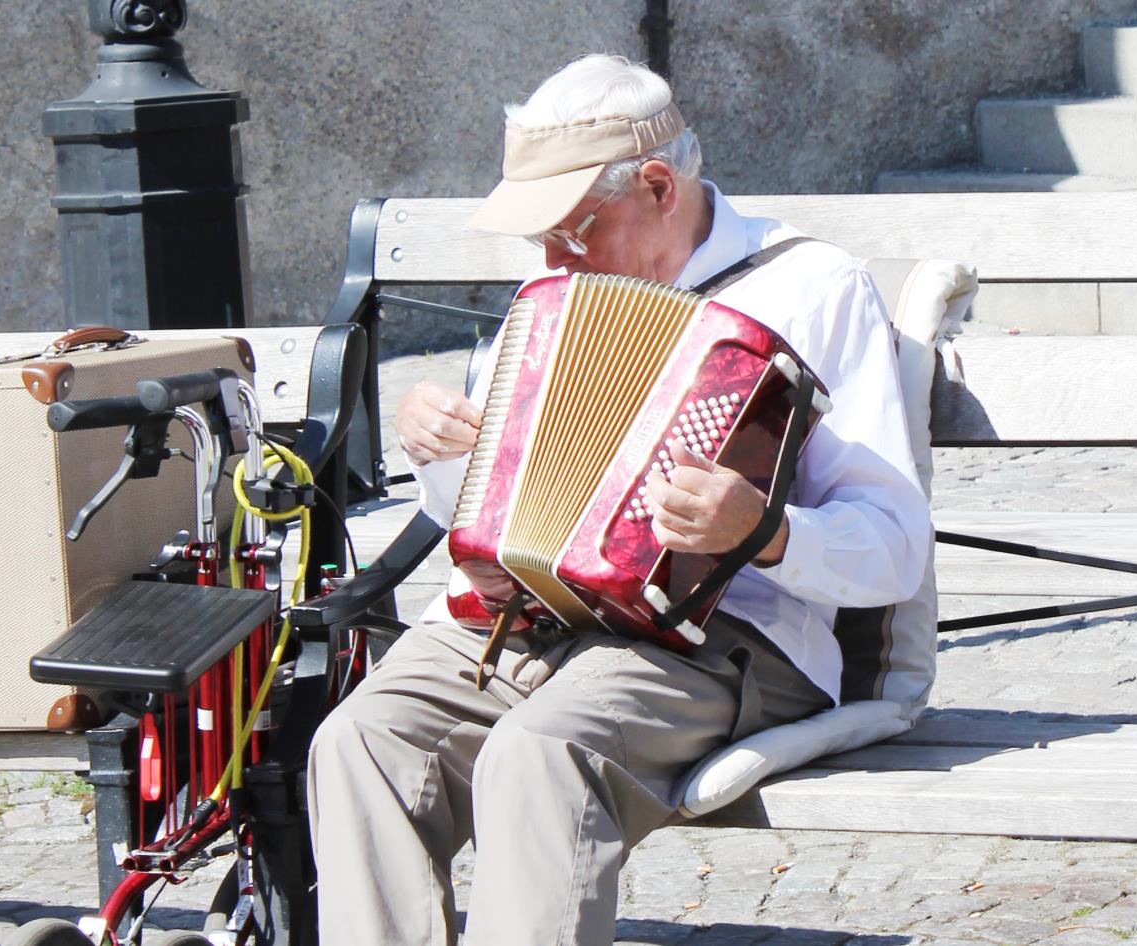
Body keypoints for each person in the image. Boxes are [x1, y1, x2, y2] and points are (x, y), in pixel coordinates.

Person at [306, 54, 930, 946]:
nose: (552, 259)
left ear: (656, 184)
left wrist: (762, 531)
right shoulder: (551, 300)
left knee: (541, 753)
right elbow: (483, 516)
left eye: (573, 229)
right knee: (362, 740)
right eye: (541, 238)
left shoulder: (811, 289)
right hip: (528, 618)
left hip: (727, 645)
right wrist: (439, 449)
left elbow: (894, 546)